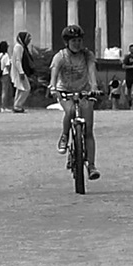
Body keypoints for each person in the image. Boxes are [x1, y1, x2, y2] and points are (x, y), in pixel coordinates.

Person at [47, 32, 96, 175]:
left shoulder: (87, 55)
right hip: (65, 92)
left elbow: (92, 71)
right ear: (67, 42)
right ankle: (64, 135)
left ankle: (91, 166)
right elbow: (54, 73)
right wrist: (53, 87)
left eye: (79, 40)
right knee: (70, 111)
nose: (77, 44)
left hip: (84, 92)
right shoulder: (60, 56)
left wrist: (94, 87)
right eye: (73, 41)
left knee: (88, 130)